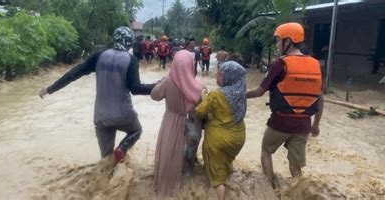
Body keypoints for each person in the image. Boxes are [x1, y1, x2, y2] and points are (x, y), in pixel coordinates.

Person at [38, 26, 156, 163]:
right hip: (123, 115)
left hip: (101, 116)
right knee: (136, 131)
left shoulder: (99, 56)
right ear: (130, 42)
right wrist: (157, 86)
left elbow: (74, 74)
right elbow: (136, 89)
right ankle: (122, 149)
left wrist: (50, 89)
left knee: (106, 161)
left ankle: (106, 176)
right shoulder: (131, 60)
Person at [246, 23, 324, 188]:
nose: (277, 44)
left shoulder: (280, 64)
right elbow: (320, 97)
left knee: (266, 150)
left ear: (288, 41)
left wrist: (237, 95)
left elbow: (260, 91)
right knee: (296, 168)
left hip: (280, 121)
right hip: (304, 124)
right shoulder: (315, 64)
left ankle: (269, 189)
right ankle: (300, 194)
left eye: (278, 41)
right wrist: (316, 124)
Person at [151, 50, 204, 197]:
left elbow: (154, 95)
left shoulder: (168, 82)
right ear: (190, 65)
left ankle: (168, 186)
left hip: (171, 122)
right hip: (193, 125)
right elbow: (204, 108)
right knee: (188, 159)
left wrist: (163, 79)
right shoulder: (199, 86)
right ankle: (187, 188)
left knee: (169, 154)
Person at [196, 61, 247, 200]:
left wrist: (203, 98)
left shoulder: (216, 95)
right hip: (238, 139)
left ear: (229, 77)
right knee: (225, 166)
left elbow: (200, 112)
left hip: (218, 141)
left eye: (220, 74)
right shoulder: (241, 93)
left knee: (217, 178)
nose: (216, 76)